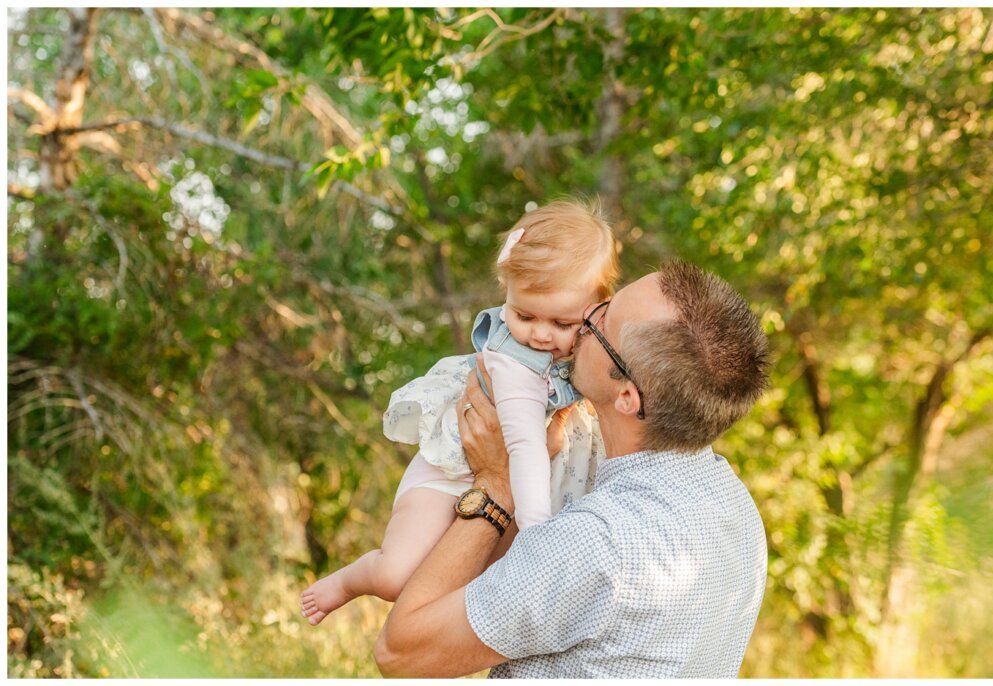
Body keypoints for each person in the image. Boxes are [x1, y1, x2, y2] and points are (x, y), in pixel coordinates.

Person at [373, 259, 771, 678]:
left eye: (601, 321)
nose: (584, 318)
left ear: (627, 397)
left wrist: (497, 486)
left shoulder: (594, 542)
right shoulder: (738, 510)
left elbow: (400, 651)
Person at [300, 200, 619, 625]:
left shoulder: (592, 348)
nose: (539, 335)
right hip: (450, 476)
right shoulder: (515, 363)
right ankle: (350, 580)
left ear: (599, 308)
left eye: (562, 324)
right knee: (399, 577)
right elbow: (524, 447)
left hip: (513, 487)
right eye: (524, 315)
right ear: (505, 288)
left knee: (479, 592)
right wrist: (538, 534)